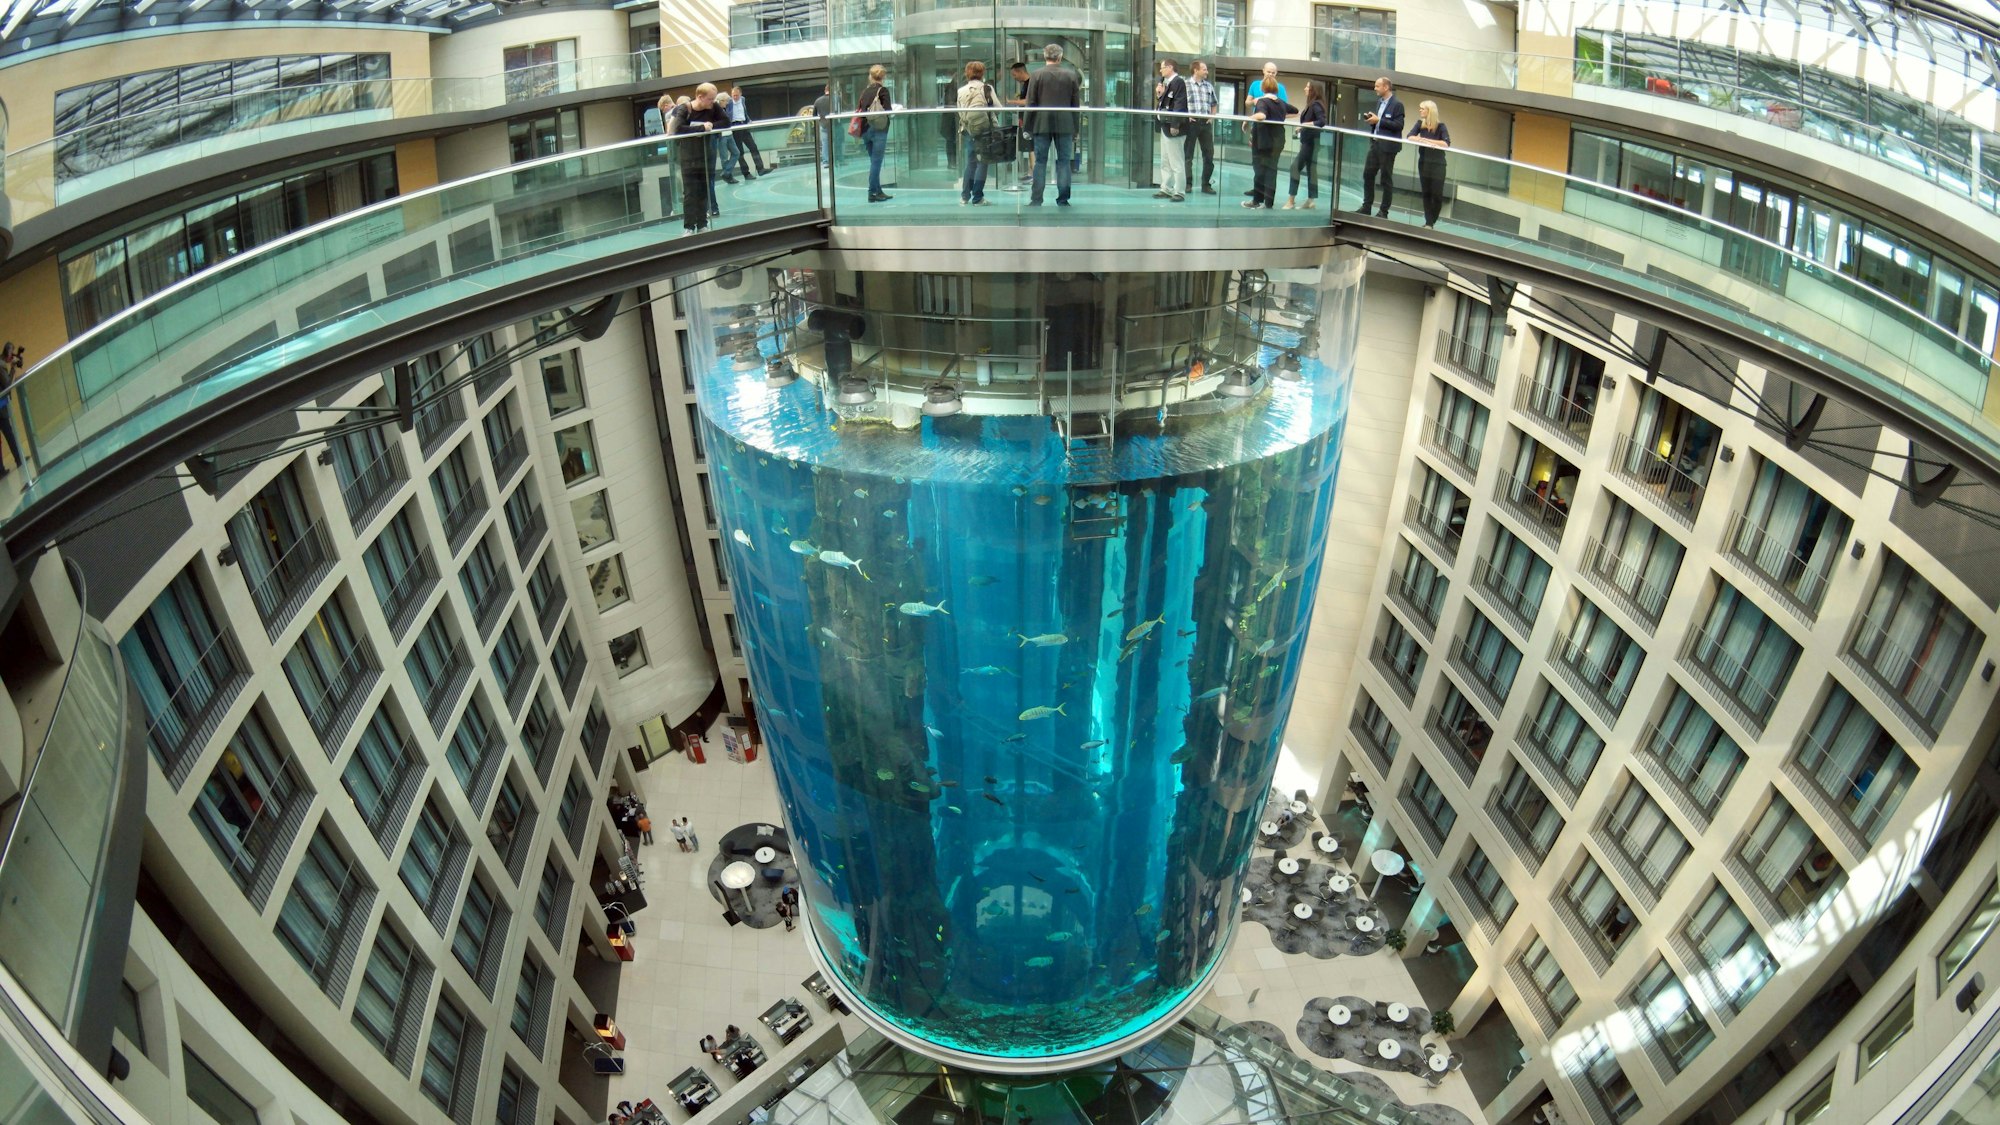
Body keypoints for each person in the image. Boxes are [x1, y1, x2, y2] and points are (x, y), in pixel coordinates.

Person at [1023, 43, 1081, 207]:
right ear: (1060, 57)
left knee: (1040, 162)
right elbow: (1075, 105)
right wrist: (1075, 128)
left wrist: (1027, 127)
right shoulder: (1071, 76)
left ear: (1044, 55)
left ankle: (1036, 199)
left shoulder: (1036, 75)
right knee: (1063, 162)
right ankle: (1063, 199)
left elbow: (1031, 103)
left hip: (1041, 124)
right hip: (1065, 124)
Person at [666, 84, 728, 232]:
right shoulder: (684, 109)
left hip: (706, 156)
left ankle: (702, 224)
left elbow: (726, 122)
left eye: (713, 99)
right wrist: (702, 128)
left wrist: (711, 125)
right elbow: (678, 129)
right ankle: (689, 226)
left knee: (703, 190)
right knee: (689, 192)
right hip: (688, 158)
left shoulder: (713, 107)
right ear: (699, 97)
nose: (712, 102)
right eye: (710, 99)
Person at [1355, 75, 1405, 217]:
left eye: (1377, 86)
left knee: (1385, 178)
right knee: (1368, 174)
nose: (1375, 88)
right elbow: (1380, 122)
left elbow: (1399, 125)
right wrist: (1374, 121)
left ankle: (1384, 211)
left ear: (1386, 87)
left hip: (1388, 148)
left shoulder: (1397, 104)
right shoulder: (1379, 102)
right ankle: (1367, 206)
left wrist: (1379, 120)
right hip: (1375, 145)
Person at [956, 61, 999, 205]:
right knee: (983, 162)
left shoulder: (961, 90)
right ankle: (978, 197)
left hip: (969, 130)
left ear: (967, 73)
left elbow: (960, 111)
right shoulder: (987, 88)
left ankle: (964, 196)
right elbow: (998, 107)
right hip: (984, 130)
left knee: (971, 162)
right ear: (982, 73)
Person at [1243, 84, 1291, 209]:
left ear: (1263, 88)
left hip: (1263, 141)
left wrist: (1248, 119)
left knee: (1259, 170)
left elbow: (1262, 116)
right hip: (1278, 140)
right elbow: (1295, 111)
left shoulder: (1262, 101)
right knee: (1271, 170)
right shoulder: (1280, 103)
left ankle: (1256, 201)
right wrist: (1280, 116)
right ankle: (1269, 202)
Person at [1408, 99, 1452, 227]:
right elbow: (1410, 136)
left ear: (1429, 111)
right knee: (1426, 192)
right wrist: (1426, 141)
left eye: (1422, 108)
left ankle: (1432, 220)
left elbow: (1446, 143)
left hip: (1438, 164)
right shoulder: (1419, 124)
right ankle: (1429, 222)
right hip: (1424, 163)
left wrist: (1426, 141)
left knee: (1437, 194)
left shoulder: (1441, 126)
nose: (1420, 110)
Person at [1284, 81, 1326, 210]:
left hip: (1311, 143)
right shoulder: (1313, 104)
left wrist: (1303, 126)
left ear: (1313, 90)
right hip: (1311, 141)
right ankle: (1310, 200)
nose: (1305, 89)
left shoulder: (1316, 105)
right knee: (1311, 170)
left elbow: (1321, 121)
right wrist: (1302, 128)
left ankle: (1291, 201)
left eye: (1307, 87)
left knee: (1295, 167)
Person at [1152, 58, 1188, 202]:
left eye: (1162, 68)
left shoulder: (1178, 82)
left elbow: (1179, 103)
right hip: (1164, 126)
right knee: (1165, 159)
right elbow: (1165, 103)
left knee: (1176, 160)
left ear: (1170, 67)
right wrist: (1159, 95)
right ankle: (1165, 187)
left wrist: (1175, 124)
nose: (1160, 70)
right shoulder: (1167, 84)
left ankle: (1179, 191)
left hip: (1172, 127)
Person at [858, 64, 894, 201]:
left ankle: (878, 190)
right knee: (876, 162)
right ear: (883, 76)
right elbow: (888, 110)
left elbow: (861, 110)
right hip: (879, 130)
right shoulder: (883, 91)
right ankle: (872, 192)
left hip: (866, 130)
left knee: (874, 161)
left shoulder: (865, 92)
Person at [1184, 60, 1218, 194]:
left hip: (1206, 123)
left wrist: (1212, 117)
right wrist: (1186, 116)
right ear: (1195, 70)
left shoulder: (1208, 86)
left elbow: (1214, 104)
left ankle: (1206, 184)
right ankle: (1188, 184)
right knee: (1188, 155)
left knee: (1209, 155)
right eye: (1204, 69)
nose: (1207, 72)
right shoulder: (1185, 85)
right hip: (1191, 123)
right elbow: (1179, 103)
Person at [727, 84, 769, 176]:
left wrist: (748, 120)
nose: (735, 97)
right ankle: (746, 173)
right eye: (733, 95)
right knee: (740, 152)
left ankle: (760, 169)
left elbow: (744, 112)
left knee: (753, 147)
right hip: (735, 127)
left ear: (740, 94)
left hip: (744, 126)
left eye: (737, 95)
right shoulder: (728, 102)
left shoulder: (742, 99)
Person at [1005, 61, 1034, 191]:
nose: (1014, 77)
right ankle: (1030, 172)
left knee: (1031, 146)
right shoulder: (1025, 84)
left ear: (1021, 72)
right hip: (1025, 117)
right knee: (1029, 146)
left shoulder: (1031, 83)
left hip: (1030, 118)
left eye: (1014, 74)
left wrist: (1012, 101)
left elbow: (1029, 101)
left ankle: (1033, 173)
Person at [0, 343, 22, 478]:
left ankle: (1, 470)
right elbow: (7, 384)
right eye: (11, 354)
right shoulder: (0, 367)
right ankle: (19, 460)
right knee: (9, 434)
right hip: (0, 408)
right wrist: (13, 368)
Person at [713, 92, 742, 183]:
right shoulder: (714, 110)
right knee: (724, 157)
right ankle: (728, 176)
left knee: (736, 153)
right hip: (721, 136)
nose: (727, 103)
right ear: (721, 101)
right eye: (726, 101)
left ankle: (726, 172)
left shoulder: (723, 110)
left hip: (729, 134)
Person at [810, 84, 835, 168]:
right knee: (838, 141)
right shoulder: (835, 99)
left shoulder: (818, 100)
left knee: (825, 143)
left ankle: (826, 161)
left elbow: (814, 115)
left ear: (825, 90)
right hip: (834, 124)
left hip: (823, 124)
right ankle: (839, 159)